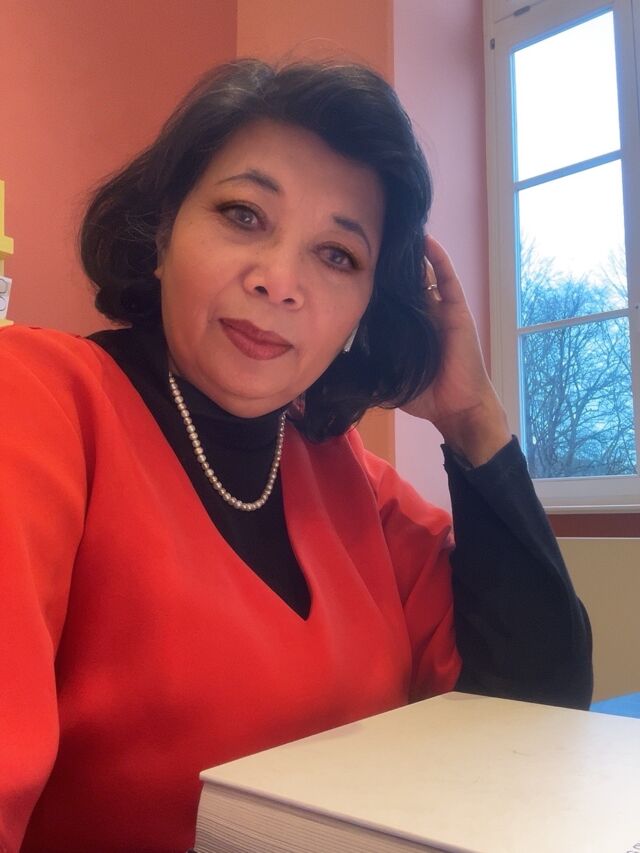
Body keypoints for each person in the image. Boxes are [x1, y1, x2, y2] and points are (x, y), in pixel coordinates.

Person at [0, 59, 592, 853]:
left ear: (363, 313)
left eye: (337, 255)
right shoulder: (37, 402)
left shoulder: (344, 474)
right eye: (243, 214)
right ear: (161, 232)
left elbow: (534, 711)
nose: (280, 281)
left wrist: (472, 419)